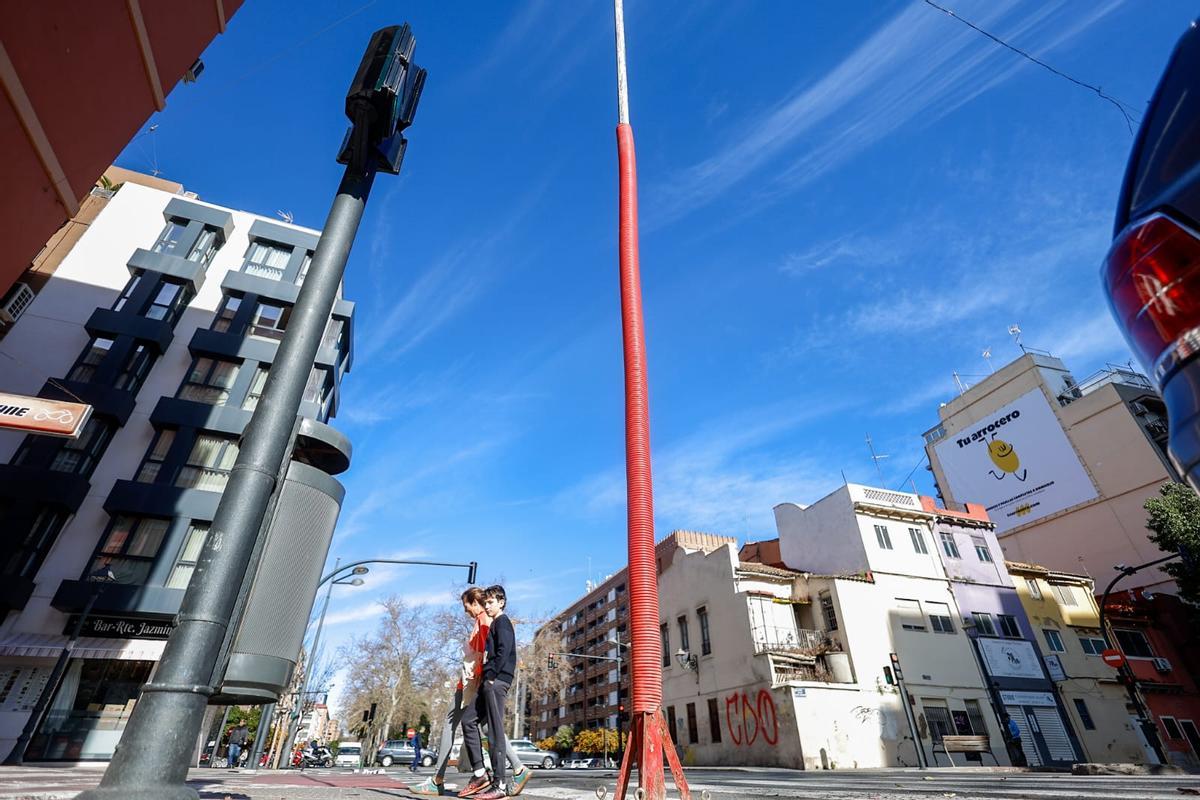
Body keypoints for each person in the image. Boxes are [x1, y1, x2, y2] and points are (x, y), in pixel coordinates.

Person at [410, 589, 530, 797]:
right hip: (479, 681)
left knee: (484, 728)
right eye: (487, 602)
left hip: (481, 681)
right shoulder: (489, 622)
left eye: (468, 606)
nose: (468, 611)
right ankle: (497, 771)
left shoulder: (493, 622)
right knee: (478, 724)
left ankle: (495, 782)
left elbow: (498, 653)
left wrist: (489, 676)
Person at [459, 585, 521, 800]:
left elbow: (504, 651)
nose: (487, 606)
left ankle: (500, 784)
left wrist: (492, 675)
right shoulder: (495, 623)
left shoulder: (502, 622)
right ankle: (479, 773)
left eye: (491, 602)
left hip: (496, 681)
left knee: (495, 733)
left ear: (501, 602)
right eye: (485, 603)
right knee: (468, 720)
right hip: (488, 681)